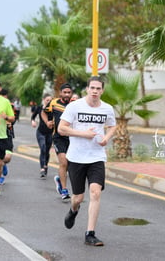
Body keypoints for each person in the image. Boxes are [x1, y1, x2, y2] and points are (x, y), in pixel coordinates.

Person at [58, 76, 116, 246]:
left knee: (95, 192)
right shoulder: (75, 106)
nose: (95, 91)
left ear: (102, 90)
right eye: (92, 88)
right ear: (87, 89)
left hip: (97, 156)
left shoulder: (107, 108)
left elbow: (113, 126)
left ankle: (90, 233)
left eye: (98, 88)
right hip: (76, 157)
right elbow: (62, 129)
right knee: (78, 197)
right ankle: (73, 210)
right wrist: (84, 134)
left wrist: (106, 137)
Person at [42, 83, 73, 201]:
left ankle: (60, 179)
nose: (66, 95)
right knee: (63, 163)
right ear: (60, 93)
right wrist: (47, 122)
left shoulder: (74, 104)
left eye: (68, 92)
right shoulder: (54, 103)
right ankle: (64, 190)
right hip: (58, 137)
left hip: (72, 137)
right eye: (64, 92)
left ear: (71, 94)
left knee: (70, 164)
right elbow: (44, 112)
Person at [31, 93, 53, 179]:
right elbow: (33, 116)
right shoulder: (39, 108)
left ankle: (46, 165)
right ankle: (42, 169)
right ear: (44, 100)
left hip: (50, 133)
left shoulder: (53, 109)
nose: (49, 102)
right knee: (43, 148)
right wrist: (33, 121)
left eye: (50, 100)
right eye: (47, 100)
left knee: (47, 151)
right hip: (41, 132)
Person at [0, 89, 16, 185]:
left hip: (8, 134)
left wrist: (8, 119)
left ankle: (4, 164)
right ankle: (0, 176)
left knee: (7, 158)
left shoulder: (11, 106)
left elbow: (14, 119)